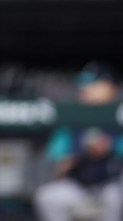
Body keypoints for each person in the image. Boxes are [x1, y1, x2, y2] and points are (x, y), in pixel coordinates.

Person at [33, 61, 123, 221]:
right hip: (81, 186)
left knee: (115, 197)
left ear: (110, 86)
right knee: (48, 198)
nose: (85, 89)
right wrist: (68, 162)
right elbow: (55, 158)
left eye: (93, 84)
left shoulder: (119, 114)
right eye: (84, 85)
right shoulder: (72, 120)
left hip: (113, 184)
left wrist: (110, 147)